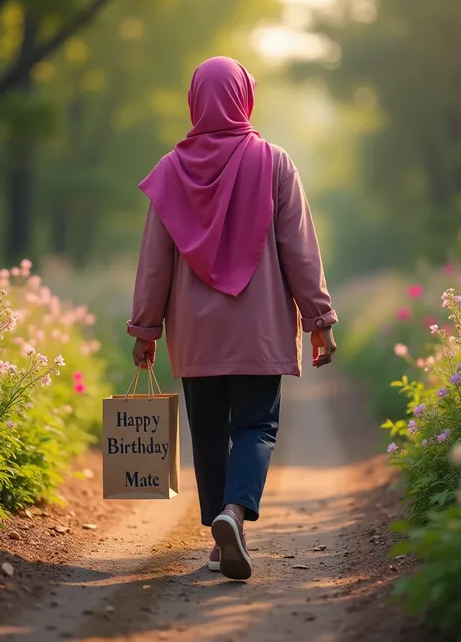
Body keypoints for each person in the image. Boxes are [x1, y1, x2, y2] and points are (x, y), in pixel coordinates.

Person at [127, 56, 337, 581]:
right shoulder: (274, 162)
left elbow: (156, 259)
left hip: (196, 335)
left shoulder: (171, 169)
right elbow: (300, 251)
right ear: (245, 96)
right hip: (259, 328)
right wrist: (319, 319)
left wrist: (146, 328)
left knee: (208, 431)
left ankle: (221, 537)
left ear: (196, 100)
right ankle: (235, 514)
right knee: (256, 426)